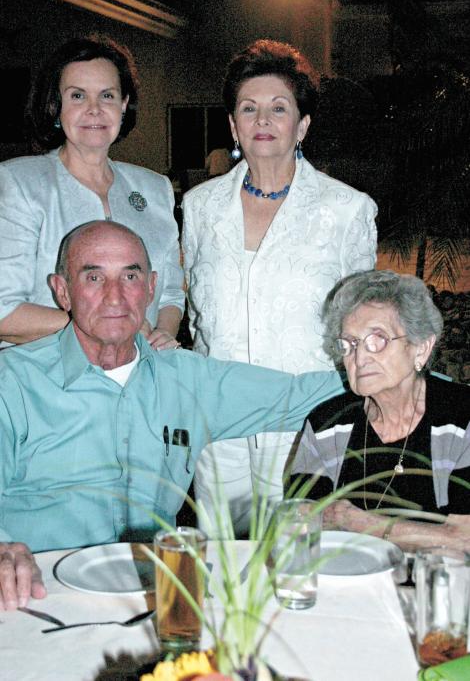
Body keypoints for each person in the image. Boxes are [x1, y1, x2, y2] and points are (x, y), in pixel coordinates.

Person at [0, 220, 343, 610]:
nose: (115, 297)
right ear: (62, 291)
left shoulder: (187, 379)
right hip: (40, 593)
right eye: (93, 277)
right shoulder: (12, 382)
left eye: (130, 276)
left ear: (150, 288)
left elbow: (302, 396)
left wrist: (409, 374)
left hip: (156, 599)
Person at [182, 39, 377, 535]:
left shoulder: (348, 210)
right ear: (233, 125)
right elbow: (192, 311)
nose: (262, 120)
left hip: (308, 421)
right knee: (222, 565)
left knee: (303, 563)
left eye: (278, 108)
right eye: (249, 109)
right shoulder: (200, 207)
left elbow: (363, 322)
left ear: (302, 125)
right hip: (217, 423)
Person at [0, 35, 183, 349]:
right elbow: (4, 313)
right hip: (43, 382)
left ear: (124, 104)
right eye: (77, 96)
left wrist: (162, 334)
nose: (94, 109)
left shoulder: (155, 189)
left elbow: (170, 294)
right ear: (55, 106)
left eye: (107, 95)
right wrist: (106, 328)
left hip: (138, 381)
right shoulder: (19, 182)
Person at [289, 269, 470, 552]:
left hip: (439, 588)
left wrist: (354, 521)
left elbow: (464, 540)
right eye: (348, 344)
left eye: (378, 339)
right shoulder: (327, 424)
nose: (359, 357)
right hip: (347, 585)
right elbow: (301, 526)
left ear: (421, 348)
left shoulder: (461, 420)